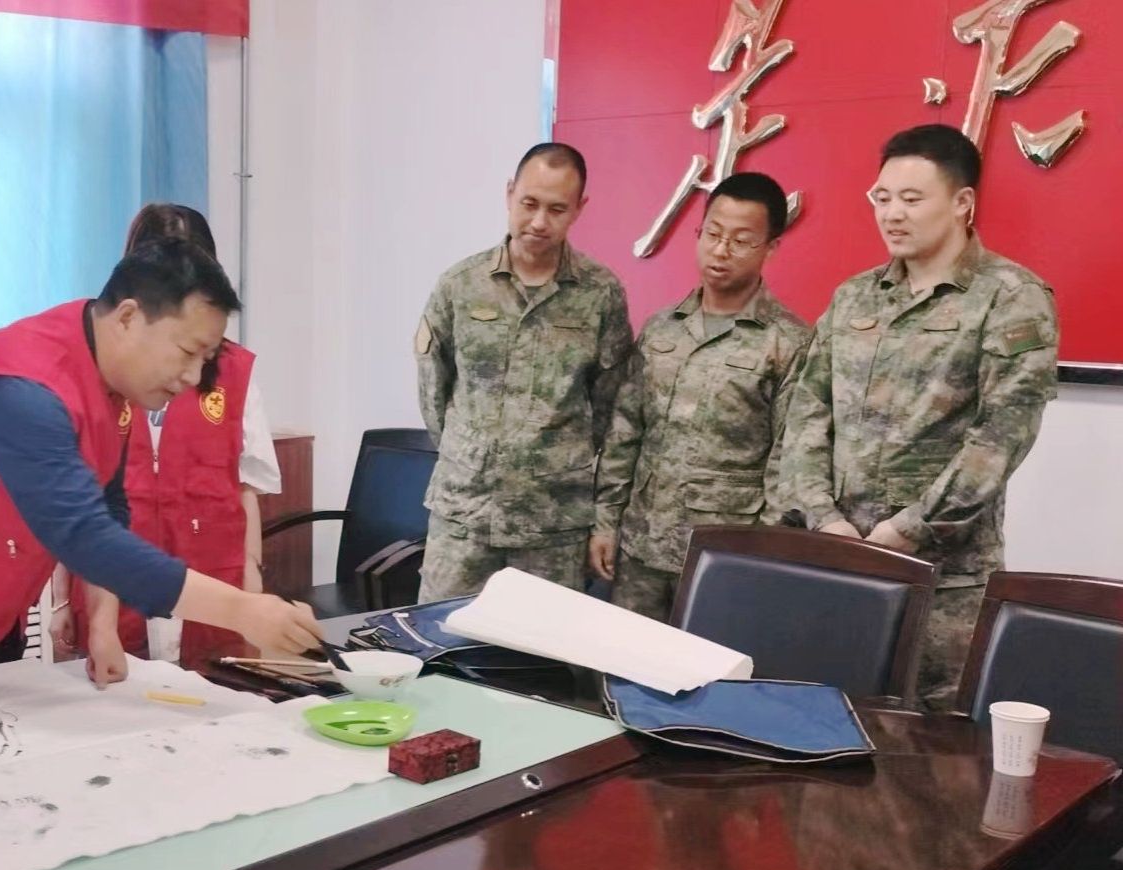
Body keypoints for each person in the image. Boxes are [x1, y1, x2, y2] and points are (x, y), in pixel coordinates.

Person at [0, 238, 322, 698]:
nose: (193, 377)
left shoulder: (109, 374)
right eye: (188, 352)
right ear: (128, 317)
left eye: (206, 359)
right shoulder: (24, 389)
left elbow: (107, 504)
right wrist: (242, 610)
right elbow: (84, 537)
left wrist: (102, 623)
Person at [780, 124, 1059, 709]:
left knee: (933, 745)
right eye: (882, 198)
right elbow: (807, 410)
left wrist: (908, 529)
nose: (892, 214)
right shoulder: (854, 297)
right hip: (840, 562)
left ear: (962, 202)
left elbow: (1002, 435)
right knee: (827, 721)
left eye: (911, 198)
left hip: (944, 580)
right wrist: (825, 519)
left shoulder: (1012, 296)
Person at [51, 204, 281, 671]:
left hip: (210, 577)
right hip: (115, 580)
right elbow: (71, 501)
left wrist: (252, 586)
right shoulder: (103, 371)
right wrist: (59, 600)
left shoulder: (234, 371)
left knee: (214, 694)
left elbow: (246, 488)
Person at [415, 142, 635, 600]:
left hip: (552, 526)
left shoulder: (600, 293)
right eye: (529, 204)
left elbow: (612, 409)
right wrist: (473, 457)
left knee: (542, 645)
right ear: (509, 193)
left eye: (556, 209)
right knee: (440, 635)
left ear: (579, 209)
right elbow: (435, 391)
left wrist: (580, 492)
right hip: (464, 518)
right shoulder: (461, 285)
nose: (538, 222)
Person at [590, 172, 814, 621]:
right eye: (712, 234)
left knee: (714, 663)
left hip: (724, 556)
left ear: (771, 247)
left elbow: (789, 461)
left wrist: (764, 553)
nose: (721, 250)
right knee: (625, 660)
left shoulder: (788, 342)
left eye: (741, 240)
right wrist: (606, 521)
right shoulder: (662, 329)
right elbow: (625, 433)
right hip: (641, 549)